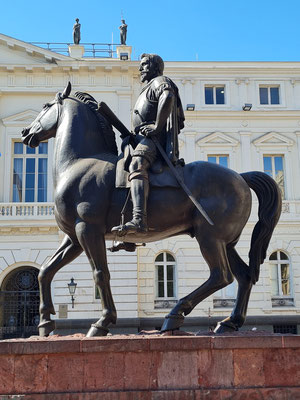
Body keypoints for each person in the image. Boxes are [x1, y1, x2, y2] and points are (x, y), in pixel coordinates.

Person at [112, 53, 185, 234]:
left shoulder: (160, 81)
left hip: (155, 139)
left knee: (137, 163)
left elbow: (167, 97)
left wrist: (156, 126)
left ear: (155, 67)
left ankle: (139, 220)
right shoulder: (146, 88)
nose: (140, 68)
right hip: (142, 138)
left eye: (144, 65)